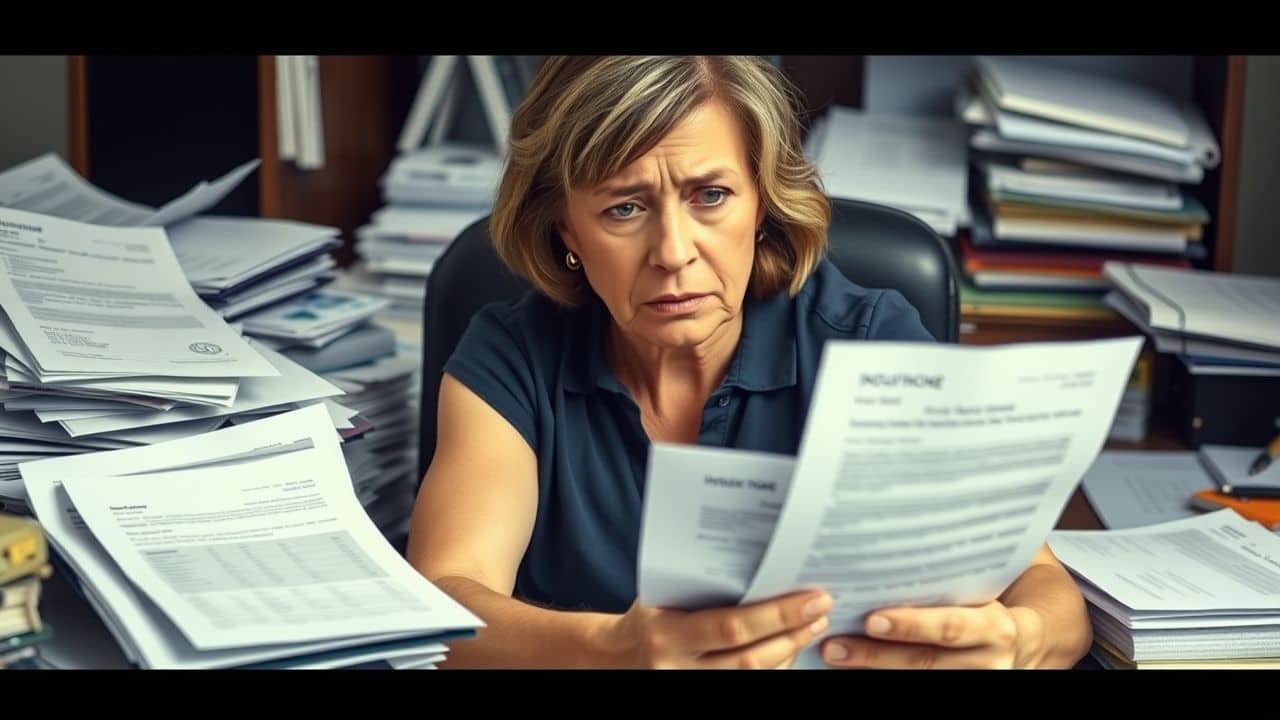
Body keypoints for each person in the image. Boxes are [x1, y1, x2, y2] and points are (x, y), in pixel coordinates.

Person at [405, 55, 1092, 669]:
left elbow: (1045, 593)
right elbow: (447, 601)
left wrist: (1018, 641)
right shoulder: (511, 355)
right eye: (624, 207)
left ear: (761, 203)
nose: (673, 251)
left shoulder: (871, 340)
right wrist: (613, 650)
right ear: (567, 232)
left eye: (711, 196)